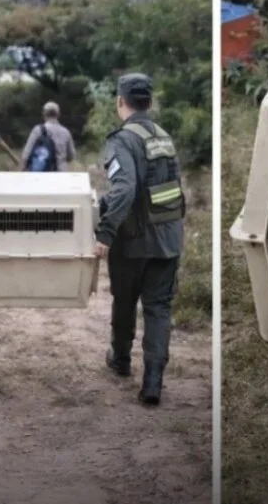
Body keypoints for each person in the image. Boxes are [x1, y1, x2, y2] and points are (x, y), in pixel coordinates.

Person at [94, 73, 185, 406]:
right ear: (151, 101)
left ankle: (120, 360)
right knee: (158, 308)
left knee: (124, 299)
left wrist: (105, 232)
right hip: (168, 237)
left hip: (133, 240)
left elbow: (124, 188)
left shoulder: (123, 139)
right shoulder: (163, 136)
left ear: (121, 101)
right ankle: (152, 381)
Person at [20, 101, 76, 172]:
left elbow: (26, 154)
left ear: (44, 114)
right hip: (61, 175)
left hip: (42, 174)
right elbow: (71, 156)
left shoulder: (38, 130)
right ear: (58, 115)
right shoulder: (66, 132)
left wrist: (23, 170)